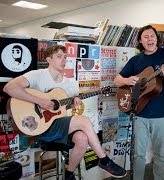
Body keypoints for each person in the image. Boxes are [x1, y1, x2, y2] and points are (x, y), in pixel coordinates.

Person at [3, 45, 127, 180]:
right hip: (41, 128)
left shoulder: (70, 83)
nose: (64, 60)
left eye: (65, 57)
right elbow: (9, 88)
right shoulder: (37, 75)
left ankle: (69, 174)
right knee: (84, 121)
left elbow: (61, 110)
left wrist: (74, 104)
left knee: (82, 138)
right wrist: (39, 101)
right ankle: (104, 160)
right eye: (59, 56)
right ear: (49, 59)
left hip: (58, 125)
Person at [113, 25, 164, 180]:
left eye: (152, 36)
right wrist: (127, 79)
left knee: (160, 154)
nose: (150, 39)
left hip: (163, 114)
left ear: (157, 38)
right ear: (140, 40)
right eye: (146, 36)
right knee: (138, 154)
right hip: (140, 113)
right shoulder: (135, 60)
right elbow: (117, 80)